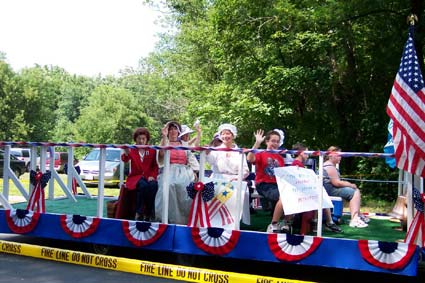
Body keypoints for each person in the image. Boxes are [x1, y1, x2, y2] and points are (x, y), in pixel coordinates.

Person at [291, 143, 342, 234]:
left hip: (304, 190)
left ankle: (320, 220)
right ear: (300, 153)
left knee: (321, 194)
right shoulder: (296, 164)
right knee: (321, 195)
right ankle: (327, 222)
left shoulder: (300, 164)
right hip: (300, 191)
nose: (308, 155)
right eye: (306, 153)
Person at [155, 121, 200, 224]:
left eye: (175, 129)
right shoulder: (164, 143)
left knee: (185, 188)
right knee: (169, 185)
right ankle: (167, 218)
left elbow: (191, 157)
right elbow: (161, 156)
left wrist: (196, 171)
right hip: (169, 170)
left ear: (178, 131)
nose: (173, 131)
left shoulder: (184, 144)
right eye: (170, 129)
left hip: (185, 172)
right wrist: (164, 137)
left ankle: (185, 220)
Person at [246, 129, 288, 233]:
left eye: (278, 141)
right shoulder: (261, 153)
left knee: (292, 195)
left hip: (277, 185)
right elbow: (250, 159)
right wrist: (257, 143)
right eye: (273, 141)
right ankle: (273, 224)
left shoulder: (280, 157)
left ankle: (286, 222)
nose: (276, 143)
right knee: (284, 197)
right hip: (264, 184)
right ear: (267, 142)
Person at [323, 146, 369, 228]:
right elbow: (337, 183)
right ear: (331, 155)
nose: (340, 157)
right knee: (355, 191)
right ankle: (354, 219)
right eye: (338, 155)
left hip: (329, 189)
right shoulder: (329, 166)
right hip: (329, 190)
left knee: (354, 190)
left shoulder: (330, 165)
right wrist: (350, 185)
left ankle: (358, 215)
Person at [121, 127, 158, 221]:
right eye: (139, 139)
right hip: (135, 177)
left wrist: (152, 176)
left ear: (147, 140)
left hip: (148, 176)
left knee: (153, 185)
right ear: (135, 139)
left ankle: (149, 212)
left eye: (143, 139)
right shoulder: (132, 149)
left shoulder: (152, 150)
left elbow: (155, 166)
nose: (141, 141)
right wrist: (126, 152)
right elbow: (125, 159)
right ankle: (139, 212)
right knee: (143, 185)